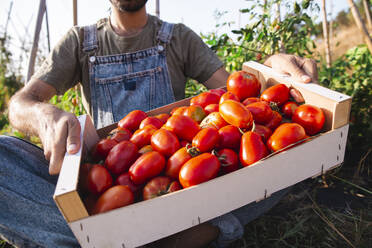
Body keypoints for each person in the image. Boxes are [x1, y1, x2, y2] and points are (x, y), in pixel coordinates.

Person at [0, 0, 318, 247]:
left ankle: (118, 241)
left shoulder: (177, 38)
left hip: (180, 190)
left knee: (290, 160)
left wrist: (270, 70)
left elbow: (237, 97)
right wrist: (41, 114)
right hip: (105, 184)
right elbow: (19, 104)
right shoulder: (79, 43)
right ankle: (147, 238)